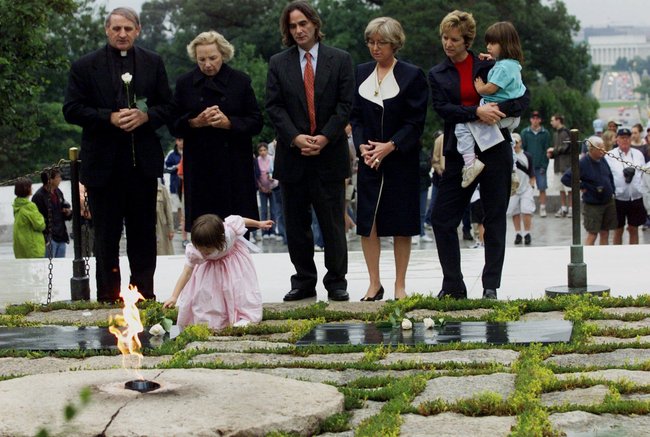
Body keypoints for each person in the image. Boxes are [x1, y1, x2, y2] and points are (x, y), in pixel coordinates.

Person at [63, 7, 174, 301]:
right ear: (106, 30)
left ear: (137, 30)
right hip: (104, 168)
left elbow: (168, 106)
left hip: (143, 167)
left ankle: (143, 297)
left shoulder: (153, 62)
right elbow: (71, 109)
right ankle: (109, 299)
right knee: (106, 239)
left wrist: (146, 116)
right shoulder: (85, 66)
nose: (122, 34)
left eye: (128, 28)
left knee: (143, 237)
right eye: (116, 29)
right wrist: (108, 117)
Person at [428, 10, 529, 300]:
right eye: (445, 38)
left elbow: (523, 97)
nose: (448, 44)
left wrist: (498, 112)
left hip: (496, 148)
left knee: (494, 217)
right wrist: (476, 112)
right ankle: (453, 284)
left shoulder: (489, 64)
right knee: (442, 217)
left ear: (467, 39)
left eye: (455, 39)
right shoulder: (437, 73)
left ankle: (490, 286)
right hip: (460, 153)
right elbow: (443, 109)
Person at [266, 1, 354, 302]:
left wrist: (326, 137)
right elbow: (274, 107)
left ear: (315, 24)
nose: (299, 30)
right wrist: (295, 137)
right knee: (296, 225)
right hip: (293, 156)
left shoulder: (340, 59)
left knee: (331, 223)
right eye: (292, 26)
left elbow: (346, 104)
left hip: (330, 154)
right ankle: (303, 280)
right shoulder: (278, 62)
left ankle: (336, 281)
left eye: (303, 23)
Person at [350, 16, 427, 301]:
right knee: (368, 223)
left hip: (400, 161)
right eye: (371, 42)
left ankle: (400, 285)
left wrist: (390, 146)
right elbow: (355, 117)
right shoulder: (360, 73)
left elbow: (415, 122)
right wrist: (362, 148)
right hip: (369, 160)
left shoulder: (412, 74)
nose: (375, 47)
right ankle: (374, 283)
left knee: (400, 224)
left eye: (381, 42)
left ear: (394, 43)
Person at [173, 30, 262, 235]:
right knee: (203, 231)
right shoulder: (184, 83)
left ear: (223, 54)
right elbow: (173, 123)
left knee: (236, 230)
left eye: (212, 58)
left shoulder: (241, 81)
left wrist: (229, 123)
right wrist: (195, 122)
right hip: (200, 168)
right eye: (201, 59)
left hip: (234, 167)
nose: (207, 64)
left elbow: (256, 121)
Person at [163, 214, 273, 330]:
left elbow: (242, 221)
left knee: (239, 291)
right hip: (209, 272)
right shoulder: (195, 251)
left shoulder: (230, 232)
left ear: (220, 240)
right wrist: (174, 296)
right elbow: (186, 272)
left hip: (233, 267)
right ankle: (212, 322)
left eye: (207, 249)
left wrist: (259, 224)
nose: (203, 252)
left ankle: (243, 316)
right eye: (200, 248)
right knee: (207, 296)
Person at [455, 21, 526, 188]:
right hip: (511, 118)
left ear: (505, 44)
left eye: (492, 43)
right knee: (508, 140)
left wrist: (480, 88)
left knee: (462, 126)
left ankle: (470, 163)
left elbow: (492, 88)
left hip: (497, 113)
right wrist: (494, 61)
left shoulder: (503, 67)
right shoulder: (513, 64)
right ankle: (513, 170)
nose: (488, 47)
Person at [561, 136, 616, 245]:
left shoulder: (603, 160)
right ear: (591, 149)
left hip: (607, 201)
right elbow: (566, 178)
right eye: (599, 148)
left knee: (605, 232)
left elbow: (609, 176)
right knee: (593, 233)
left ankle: (603, 255)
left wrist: (612, 189)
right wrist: (582, 186)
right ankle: (588, 256)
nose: (602, 150)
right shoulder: (583, 163)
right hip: (593, 204)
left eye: (603, 147)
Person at [605, 128, 647, 244]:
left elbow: (643, 174)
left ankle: (634, 253)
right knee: (618, 229)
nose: (625, 140)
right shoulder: (610, 155)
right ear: (617, 139)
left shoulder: (638, 154)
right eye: (622, 138)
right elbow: (606, 175)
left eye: (627, 138)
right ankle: (617, 254)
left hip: (636, 196)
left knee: (634, 228)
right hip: (618, 197)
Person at [32, 169, 72, 258]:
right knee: (48, 265)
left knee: (60, 265)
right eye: (58, 177)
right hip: (49, 237)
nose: (60, 179)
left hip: (61, 235)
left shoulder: (58, 192)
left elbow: (62, 209)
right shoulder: (39, 196)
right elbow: (38, 218)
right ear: (50, 180)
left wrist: (67, 212)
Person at [520, 111, 551, 217]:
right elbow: (522, 149)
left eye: (537, 118)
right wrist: (525, 166)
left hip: (540, 166)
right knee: (528, 189)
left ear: (540, 120)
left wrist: (544, 165)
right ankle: (529, 208)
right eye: (533, 118)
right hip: (528, 167)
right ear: (530, 120)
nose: (535, 120)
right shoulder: (525, 132)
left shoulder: (545, 133)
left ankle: (542, 208)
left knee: (542, 187)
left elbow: (546, 150)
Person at [508, 133, 536, 245]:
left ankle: (527, 233)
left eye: (517, 142)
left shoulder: (527, 156)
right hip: (513, 188)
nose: (515, 145)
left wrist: (532, 183)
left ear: (520, 143)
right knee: (515, 211)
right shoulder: (508, 155)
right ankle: (518, 233)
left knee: (526, 210)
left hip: (526, 187)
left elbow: (531, 171)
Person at [12, 177, 46, 259]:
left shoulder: (16, 205)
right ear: (27, 189)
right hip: (33, 247)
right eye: (31, 187)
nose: (32, 188)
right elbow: (40, 225)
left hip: (20, 247)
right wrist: (42, 218)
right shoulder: (29, 206)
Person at [548, 114, 572, 218]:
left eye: (552, 120)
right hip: (557, 165)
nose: (551, 122)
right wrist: (552, 154)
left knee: (569, 189)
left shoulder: (566, 132)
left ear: (558, 120)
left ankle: (571, 209)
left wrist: (554, 150)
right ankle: (563, 208)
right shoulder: (555, 134)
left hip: (566, 166)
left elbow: (567, 147)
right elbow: (557, 149)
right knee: (560, 188)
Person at [256, 142, 278, 239]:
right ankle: (264, 232)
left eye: (264, 150)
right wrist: (261, 187)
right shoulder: (257, 160)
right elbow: (257, 175)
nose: (263, 152)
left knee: (273, 210)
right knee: (264, 211)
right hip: (262, 189)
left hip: (272, 188)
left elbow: (275, 172)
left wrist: (272, 184)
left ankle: (272, 230)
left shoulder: (271, 159)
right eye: (260, 150)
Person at [165, 137, 184, 231]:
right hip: (175, 183)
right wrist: (176, 167)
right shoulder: (171, 154)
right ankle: (181, 223)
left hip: (185, 185)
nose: (182, 142)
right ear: (177, 141)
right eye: (180, 140)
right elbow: (165, 168)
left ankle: (184, 223)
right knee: (178, 205)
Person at [155, 179, 174, 255]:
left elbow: (168, 210)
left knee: (163, 252)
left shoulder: (162, 190)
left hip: (161, 228)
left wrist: (171, 229)